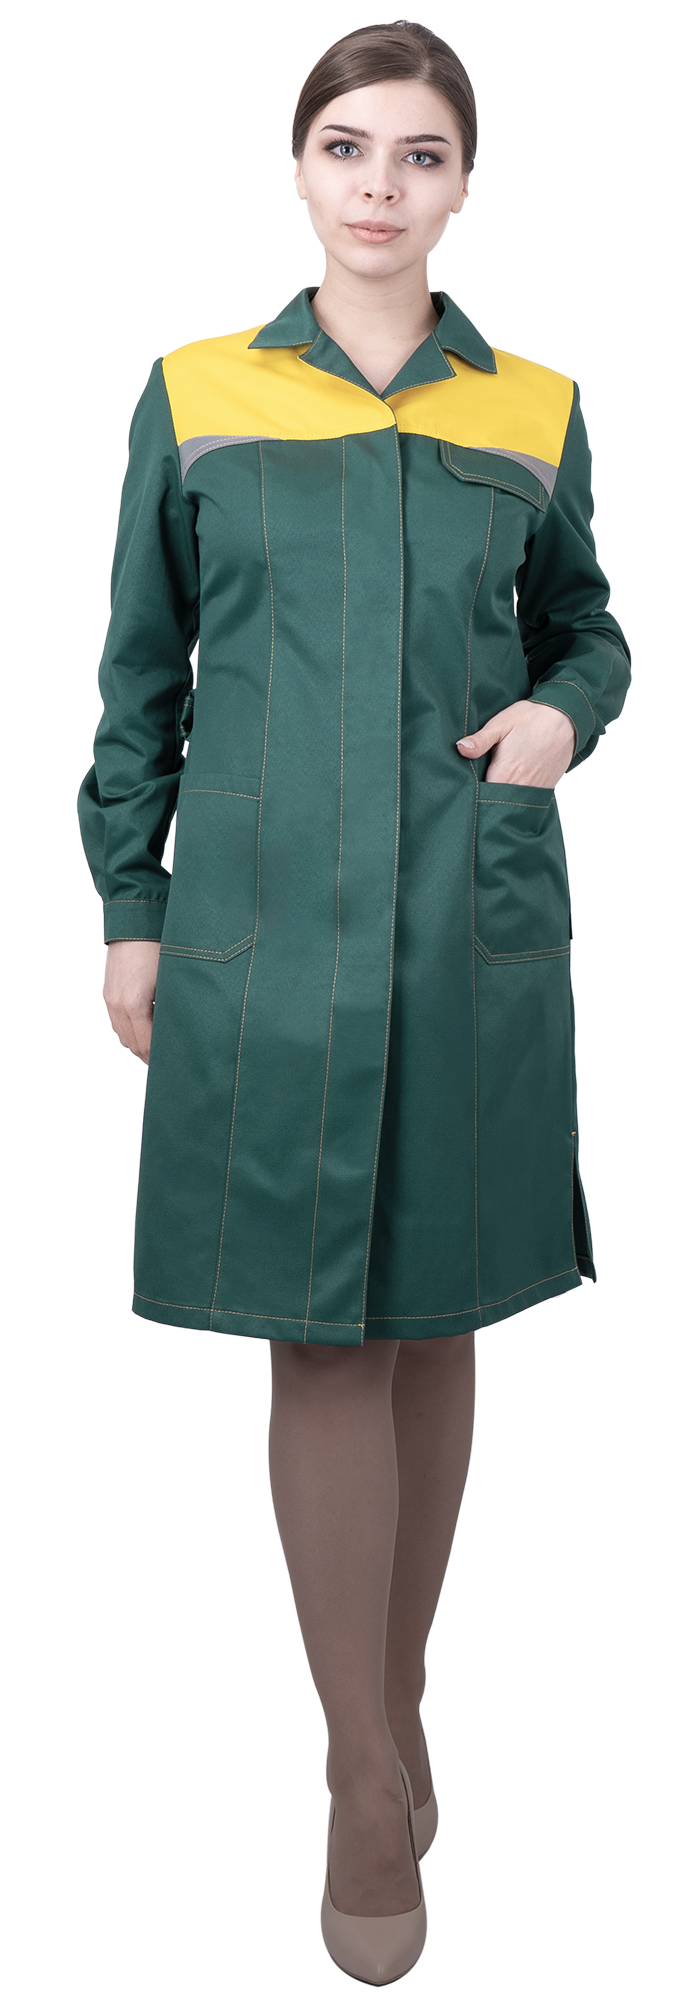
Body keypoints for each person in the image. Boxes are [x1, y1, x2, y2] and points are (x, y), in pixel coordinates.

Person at [77, 21, 631, 1985]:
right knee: (320, 1332)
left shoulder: (534, 408)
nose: (379, 185)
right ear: (299, 171)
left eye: (418, 153)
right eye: (344, 146)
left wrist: (565, 714)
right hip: (263, 936)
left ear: (464, 183)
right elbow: (140, 680)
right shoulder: (199, 395)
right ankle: (367, 1783)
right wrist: (130, 908)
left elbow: (586, 628)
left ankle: (384, 1726)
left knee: (437, 1317)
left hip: (466, 923)